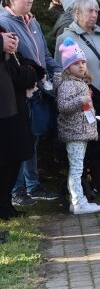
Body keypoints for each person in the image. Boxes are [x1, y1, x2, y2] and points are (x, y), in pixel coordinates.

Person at [0, 0, 61, 207]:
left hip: (37, 87)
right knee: (18, 143)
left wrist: (55, 72)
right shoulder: (4, 23)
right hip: (19, 91)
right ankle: (18, 190)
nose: (29, 0)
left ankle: (33, 185)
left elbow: (43, 53)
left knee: (32, 138)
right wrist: (31, 74)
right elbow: (15, 61)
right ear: (10, 0)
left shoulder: (31, 20)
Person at [55, 38, 100, 215]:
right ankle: (78, 201)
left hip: (81, 132)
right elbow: (63, 107)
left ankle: (78, 201)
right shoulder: (67, 85)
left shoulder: (80, 83)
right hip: (74, 133)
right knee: (76, 169)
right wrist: (81, 100)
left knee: (78, 167)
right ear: (68, 67)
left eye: (83, 62)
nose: (81, 66)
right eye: (76, 63)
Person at [0, 28, 41, 220]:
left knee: (14, 155)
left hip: (12, 106)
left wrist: (31, 71)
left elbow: (20, 66)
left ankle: (5, 206)